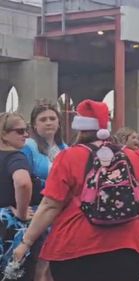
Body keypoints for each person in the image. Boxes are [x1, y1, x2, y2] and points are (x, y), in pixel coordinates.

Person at [13, 100, 139, 281]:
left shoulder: (68, 157)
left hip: (75, 250)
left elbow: (50, 206)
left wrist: (26, 243)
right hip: (130, 249)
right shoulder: (136, 156)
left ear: (80, 128)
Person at [21, 101, 67, 281]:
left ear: (59, 122)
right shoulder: (28, 147)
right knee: (39, 263)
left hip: (62, 215)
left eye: (52, 118)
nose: (48, 122)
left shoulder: (66, 149)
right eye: (43, 119)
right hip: (39, 212)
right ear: (34, 124)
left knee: (54, 267)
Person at [0, 112, 35, 281]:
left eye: (26, 129)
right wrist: (21, 212)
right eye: (20, 131)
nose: (26, 135)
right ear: (3, 134)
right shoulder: (15, 157)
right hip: (8, 228)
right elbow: (22, 182)